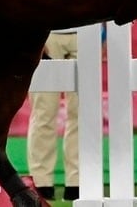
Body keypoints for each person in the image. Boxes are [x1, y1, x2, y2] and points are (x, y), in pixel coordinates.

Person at [27, 29, 81, 202]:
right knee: (44, 112)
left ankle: (78, 181)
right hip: (48, 33)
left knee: (83, 113)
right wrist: (36, 36)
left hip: (87, 34)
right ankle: (41, 182)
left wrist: (102, 35)